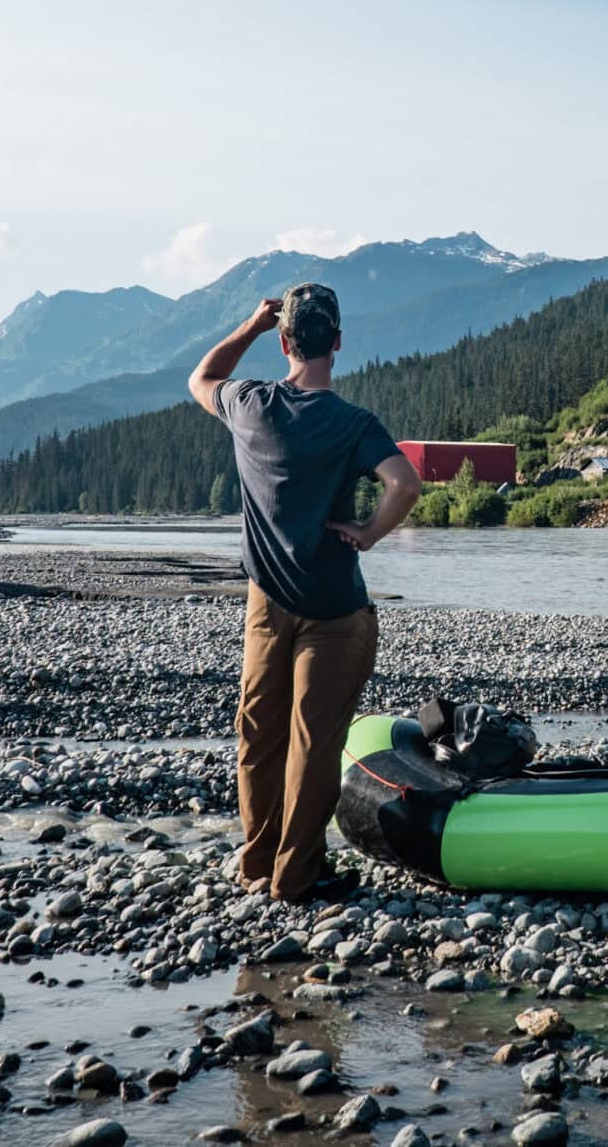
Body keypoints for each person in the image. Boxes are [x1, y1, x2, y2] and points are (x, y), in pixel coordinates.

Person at [189, 283, 421, 903]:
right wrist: (368, 535)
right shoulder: (354, 424)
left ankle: (256, 863)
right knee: (313, 746)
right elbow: (404, 484)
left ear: (286, 341)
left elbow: (201, 377)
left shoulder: (251, 404)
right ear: (337, 344)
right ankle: (296, 877)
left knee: (259, 736)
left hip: (267, 605)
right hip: (335, 609)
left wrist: (250, 326)